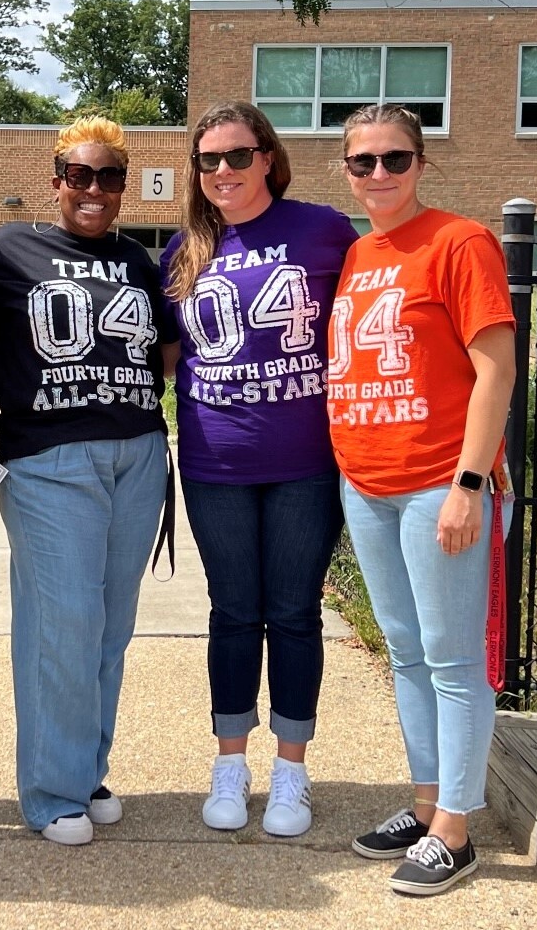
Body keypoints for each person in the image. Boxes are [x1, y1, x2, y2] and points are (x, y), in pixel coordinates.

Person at [328, 104, 515, 895]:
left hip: (440, 481)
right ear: (344, 169)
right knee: (405, 651)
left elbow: (496, 370)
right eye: (363, 161)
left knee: (451, 657)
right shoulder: (358, 253)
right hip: (367, 482)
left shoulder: (458, 240)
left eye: (394, 159)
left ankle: (456, 830)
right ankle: (426, 799)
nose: (378, 174)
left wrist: (468, 485)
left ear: (421, 163)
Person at [0, 116, 170, 846]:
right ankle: (51, 790)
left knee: (110, 625)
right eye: (77, 174)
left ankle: (84, 770)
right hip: (48, 458)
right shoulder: (8, 250)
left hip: (138, 454)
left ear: (123, 187)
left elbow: (169, 355)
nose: (92, 188)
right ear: (55, 180)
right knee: (63, 624)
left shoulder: (139, 261)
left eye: (108, 175)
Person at [161, 101, 357, 838]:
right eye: (207, 160)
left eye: (236, 156)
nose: (221, 172)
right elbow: (168, 357)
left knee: (295, 612)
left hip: (305, 462)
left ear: (267, 158)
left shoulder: (322, 230)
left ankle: (292, 773)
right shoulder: (182, 250)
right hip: (214, 463)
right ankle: (228, 762)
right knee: (233, 613)